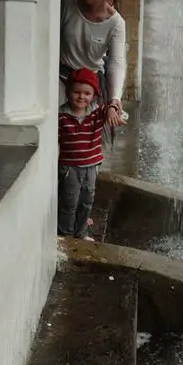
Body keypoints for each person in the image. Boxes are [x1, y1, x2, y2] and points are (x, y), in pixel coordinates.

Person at [60, 0, 126, 132]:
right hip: (61, 77)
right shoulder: (67, 4)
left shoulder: (116, 23)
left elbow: (116, 62)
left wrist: (114, 99)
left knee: (86, 135)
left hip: (89, 85)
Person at [57, 68, 122, 241]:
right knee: (69, 202)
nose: (81, 97)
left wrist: (112, 109)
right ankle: (66, 234)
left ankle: (81, 232)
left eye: (87, 93)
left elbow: (110, 105)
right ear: (68, 92)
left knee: (86, 200)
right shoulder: (61, 115)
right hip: (70, 167)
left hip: (91, 166)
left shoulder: (96, 112)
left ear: (94, 95)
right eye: (76, 92)